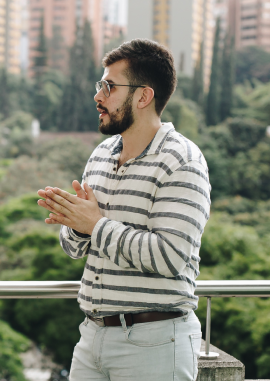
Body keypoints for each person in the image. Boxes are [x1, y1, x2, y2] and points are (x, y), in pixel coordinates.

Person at [37, 39, 210, 381]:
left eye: (109, 87)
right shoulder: (102, 153)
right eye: (100, 85)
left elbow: (170, 257)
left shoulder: (182, 161)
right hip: (91, 337)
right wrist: (74, 224)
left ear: (143, 96)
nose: (98, 96)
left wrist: (96, 224)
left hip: (154, 344)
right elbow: (74, 249)